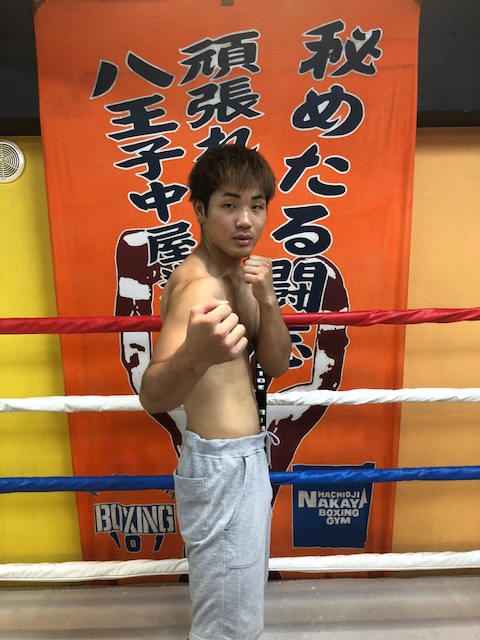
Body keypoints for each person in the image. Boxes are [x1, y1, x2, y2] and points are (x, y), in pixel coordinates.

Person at [139, 144, 291, 640]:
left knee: (238, 608)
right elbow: (152, 395)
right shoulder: (197, 287)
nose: (245, 220)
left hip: (247, 458)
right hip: (221, 467)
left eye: (256, 205)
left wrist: (268, 301)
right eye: (229, 205)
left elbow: (277, 364)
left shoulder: (241, 275)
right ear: (201, 210)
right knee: (228, 624)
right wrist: (194, 356)